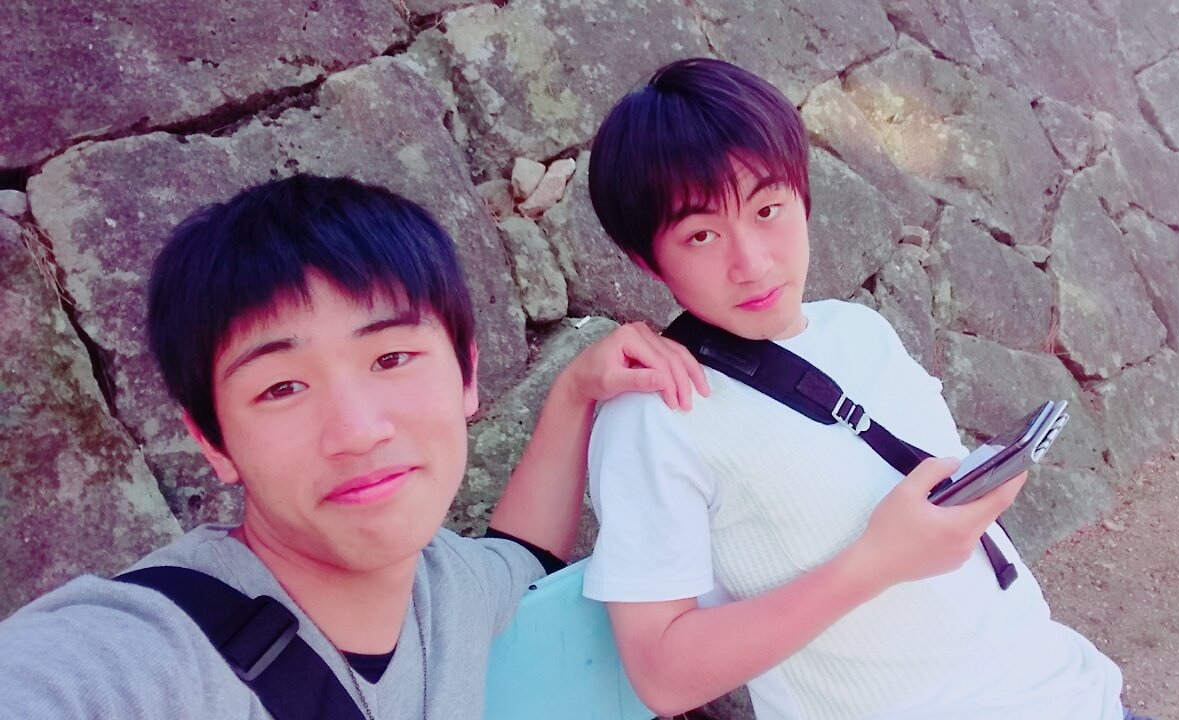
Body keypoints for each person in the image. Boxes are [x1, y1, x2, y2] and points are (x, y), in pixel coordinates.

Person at [0, 173, 706, 719]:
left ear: (466, 375)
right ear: (213, 442)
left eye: (391, 358)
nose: (358, 431)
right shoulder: (140, 659)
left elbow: (524, 561)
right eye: (281, 388)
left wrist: (574, 392)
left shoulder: (443, 588)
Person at [582, 58, 1136, 720]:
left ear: (803, 197)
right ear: (648, 260)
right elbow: (662, 677)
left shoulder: (860, 331)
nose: (751, 261)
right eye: (701, 234)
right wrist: (874, 562)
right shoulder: (657, 415)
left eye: (768, 209)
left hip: (1077, 691)